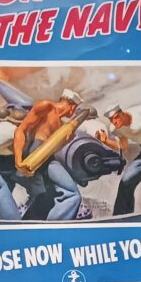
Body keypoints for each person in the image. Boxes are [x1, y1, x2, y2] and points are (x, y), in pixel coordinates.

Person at [13, 88, 86, 220]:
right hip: (35, 154)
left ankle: (31, 224)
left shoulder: (61, 125)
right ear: (72, 106)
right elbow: (21, 130)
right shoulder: (45, 106)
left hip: (47, 157)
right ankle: (56, 227)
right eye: (75, 109)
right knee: (72, 195)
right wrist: (18, 160)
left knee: (49, 197)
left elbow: (52, 147)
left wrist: (65, 142)